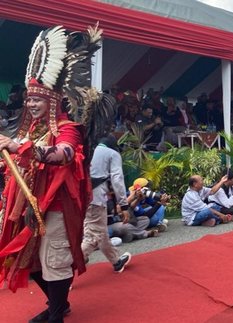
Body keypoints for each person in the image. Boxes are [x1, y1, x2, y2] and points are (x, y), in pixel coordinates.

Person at [0, 25, 109, 323]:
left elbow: (65, 155)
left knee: (54, 259)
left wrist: (22, 149)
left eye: (37, 99)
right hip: (29, 206)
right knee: (29, 259)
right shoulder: (30, 130)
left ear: (52, 101)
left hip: (57, 206)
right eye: (29, 100)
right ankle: (58, 305)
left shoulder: (68, 129)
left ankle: (57, 312)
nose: (31, 104)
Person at [81, 135, 132, 273]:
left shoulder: (89, 149)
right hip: (96, 198)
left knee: (99, 231)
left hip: (81, 197)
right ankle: (69, 266)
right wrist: (124, 204)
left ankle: (116, 262)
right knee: (93, 237)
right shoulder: (112, 154)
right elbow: (117, 179)